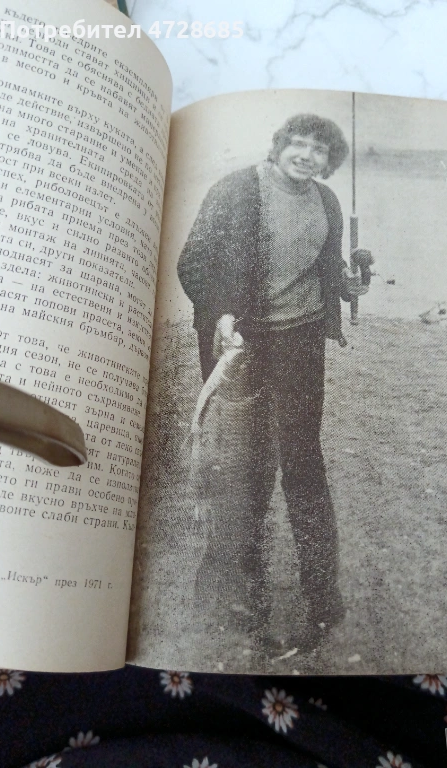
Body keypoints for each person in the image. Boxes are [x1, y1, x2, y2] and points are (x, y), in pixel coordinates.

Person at [178, 113, 365, 651]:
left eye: (319, 150)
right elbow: (193, 263)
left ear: (330, 161)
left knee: (304, 463)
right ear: (279, 146)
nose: (306, 155)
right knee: (244, 471)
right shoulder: (236, 190)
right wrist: (222, 312)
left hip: (300, 343)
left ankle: (322, 599)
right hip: (241, 343)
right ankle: (240, 600)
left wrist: (348, 284)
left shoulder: (326, 201)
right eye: (297, 144)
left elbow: (325, 267)